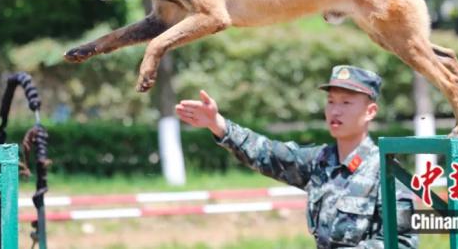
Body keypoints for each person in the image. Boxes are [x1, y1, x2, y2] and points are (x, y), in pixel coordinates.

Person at [175, 65, 417, 248]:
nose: (335, 110)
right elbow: (266, 153)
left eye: (346, 102)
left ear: (370, 111)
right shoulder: (319, 162)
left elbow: (404, 242)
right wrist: (218, 124)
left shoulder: (386, 172)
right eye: (331, 101)